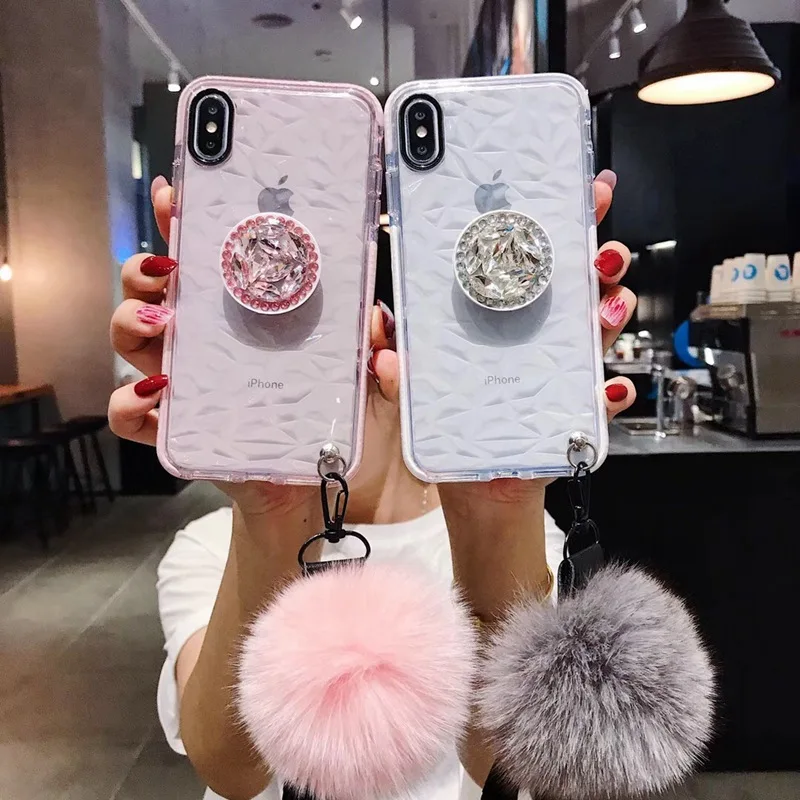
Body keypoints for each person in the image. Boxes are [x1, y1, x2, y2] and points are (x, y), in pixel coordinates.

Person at [109, 171, 637, 800]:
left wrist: (499, 512)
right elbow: (232, 769)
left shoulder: (524, 532)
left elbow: (512, 770)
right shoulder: (211, 542)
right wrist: (272, 511)